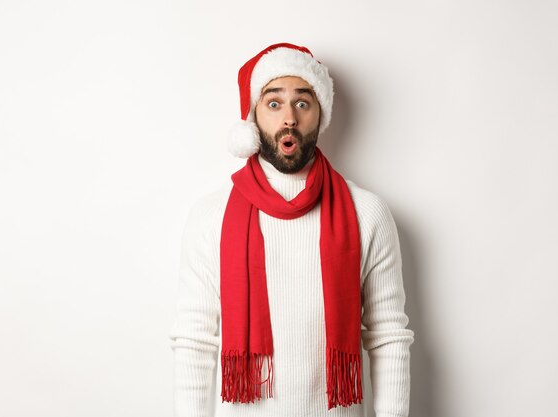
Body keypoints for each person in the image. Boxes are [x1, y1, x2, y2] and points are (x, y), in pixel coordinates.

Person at [170, 42, 414, 417]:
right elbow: (195, 342)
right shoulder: (210, 216)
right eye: (273, 103)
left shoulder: (368, 213)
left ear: (320, 115)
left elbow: (388, 338)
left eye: (302, 102)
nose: (289, 118)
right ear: (252, 117)